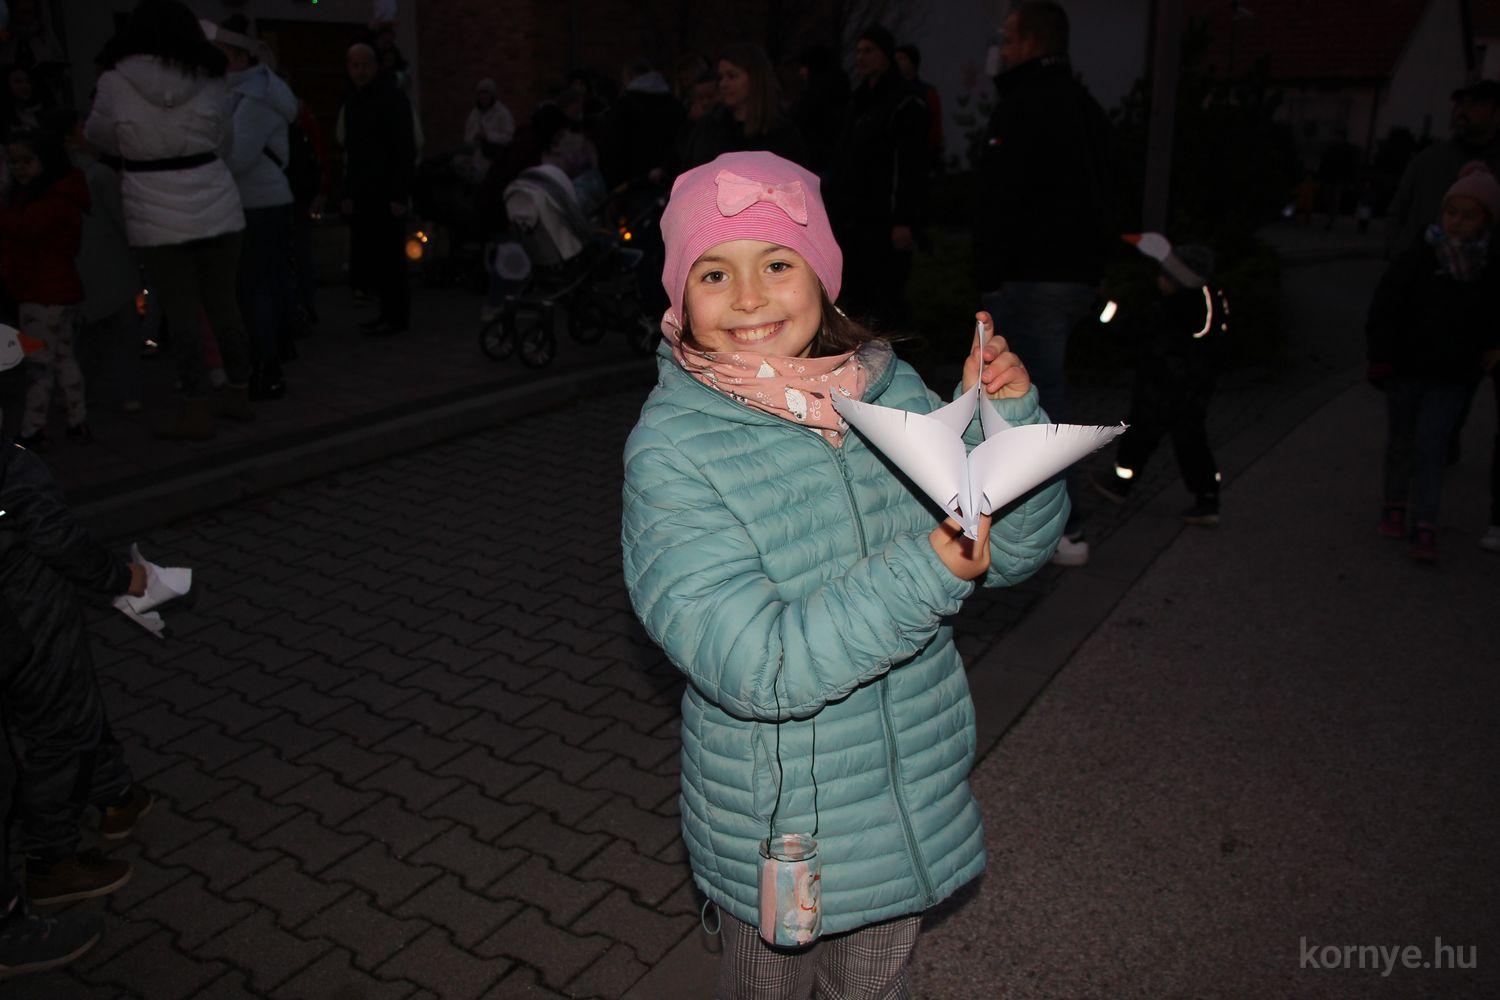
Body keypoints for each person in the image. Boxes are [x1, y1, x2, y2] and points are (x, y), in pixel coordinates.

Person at [621, 151, 1067, 997]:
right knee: (769, 988)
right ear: (680, 299)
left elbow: (1011, 553)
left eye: (777, 264)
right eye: (714, 273)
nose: (748, 297)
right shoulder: (672, 451)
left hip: (908, 791)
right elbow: (754, 663)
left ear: (822, 279)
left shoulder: (890, 390)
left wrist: (1005, 426)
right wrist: (926, 571)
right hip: (782, 824)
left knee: (874, 986)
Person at [973, 0, 1112, 566]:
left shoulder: (1025, 106)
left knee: (1032, 402)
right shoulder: (1084, 105)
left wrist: (990, 274)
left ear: (1031, 41)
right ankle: (1048, 521)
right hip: (1071, 276)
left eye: (1008, 38)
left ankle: (1063, 526)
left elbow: (999, 200)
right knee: (1038, 395)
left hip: (1031, 277)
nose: (1001, 49)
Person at [84, 0, 252, 440]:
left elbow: (97, 135)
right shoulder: (209, 76)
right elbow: (224, 139)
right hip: (214, 198)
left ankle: (196, 408)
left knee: (180, 314)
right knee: (224, 305)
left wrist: (141, 147)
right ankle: (238, 389)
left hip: (154, 204)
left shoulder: (115, 82)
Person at [0, 438, 153, 909]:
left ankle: (114, 795)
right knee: (60, 730)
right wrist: (121, 577)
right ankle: (50, 861)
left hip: (24, 613)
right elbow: (54, 535)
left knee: (76, 703)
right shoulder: (10, 465)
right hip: (26, 616)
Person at [1367, 163, 1500, 561]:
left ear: (1486, 221)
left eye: (1468, 215)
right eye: (1451, 212)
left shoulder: (1486, 269)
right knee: (1402, 443)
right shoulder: (1419, 257)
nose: (1456, 222)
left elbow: (1490, 316)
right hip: (1406, 369)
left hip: (1452, 375)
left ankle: (1425, 521)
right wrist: (1381, 357)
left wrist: (1486, 350)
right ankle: (1395, 504)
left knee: (1432, 447)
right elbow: (1386, 307)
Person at [1092, 236, 1226, 525]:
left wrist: (1106, 311)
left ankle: (1121, 484)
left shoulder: (1173, 309)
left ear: (1179, 280)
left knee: (1143, 435)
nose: (1160, 280)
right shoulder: (1208, 300)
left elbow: (1135, 332)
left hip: (1162, 388)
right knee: (1190, 441)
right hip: (1191, 389)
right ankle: (1207, 498)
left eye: (1166, 275)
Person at [206, 16, 298, 401]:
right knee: (266, 284)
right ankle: (274, 355)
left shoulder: (255, 97)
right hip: (263, 200)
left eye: (223, 55)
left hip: (257, 202)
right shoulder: (246, 92)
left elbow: (237, 156)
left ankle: (267, 366)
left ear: (241, 57)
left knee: (252, 288)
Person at [826, 25, 928, 329]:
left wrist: (904, 220)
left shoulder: (904, 102)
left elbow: (909, 166)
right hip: (854, 221)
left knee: (885, 301)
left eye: (868, 51)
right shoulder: (859, 101)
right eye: (858, 51)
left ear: (886, 55)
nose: (860, 57)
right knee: (857, 299)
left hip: (884, 222)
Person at [0, 127, 90, 450]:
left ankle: (33, 428)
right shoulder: (59, 195)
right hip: (54, 289)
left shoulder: (49, 200)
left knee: (40, 365)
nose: (19, 168)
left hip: (42, 292)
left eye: (26, 161)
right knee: (63, 357)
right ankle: (77, 419)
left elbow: (26, 229)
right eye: (13, 162)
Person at [339, 41, 414, 336]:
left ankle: (396, 314)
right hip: (365, 190)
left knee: (391, 256)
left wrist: (399, 193)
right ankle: (386, 311)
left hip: (386, 189)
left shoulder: (392, 99)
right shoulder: (353, 100)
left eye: (365, 65)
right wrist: (348, 191)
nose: (360, 71)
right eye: (355, 66)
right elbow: (352, 151)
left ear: (375, 66)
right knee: (375, 255)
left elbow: (403, 148)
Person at [1386, 81, 1500, 258]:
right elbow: (1398, 211)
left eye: (1476, 103)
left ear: (1496, 113)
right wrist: (1397, 253)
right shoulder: (1429, 158)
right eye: (1461, 103)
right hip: (1418, 265)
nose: (1463, 109)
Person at [679, 43, 808, 170]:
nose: (723, 84)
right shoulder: (708, 129)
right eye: (721, 77)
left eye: (732, 76)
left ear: (755, 78)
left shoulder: (783, 133)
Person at [895, 43, 943, 171]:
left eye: (901, 58)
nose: (897, 63)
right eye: (896, 59)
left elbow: (935, 124)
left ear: (912, 63)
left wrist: (932, 149)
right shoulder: (893, 93)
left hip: (921, 154)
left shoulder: (926, 92)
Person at [462, 78, 515, 182]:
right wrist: (474, 137)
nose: (483, 97)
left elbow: (509, 137)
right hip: (474, 157)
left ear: (492, 95)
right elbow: (467, 134)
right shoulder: (474, 113)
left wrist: (488, 136)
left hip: (494, 159)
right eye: (480, 93)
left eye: (486, 93)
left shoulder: (503, 113)